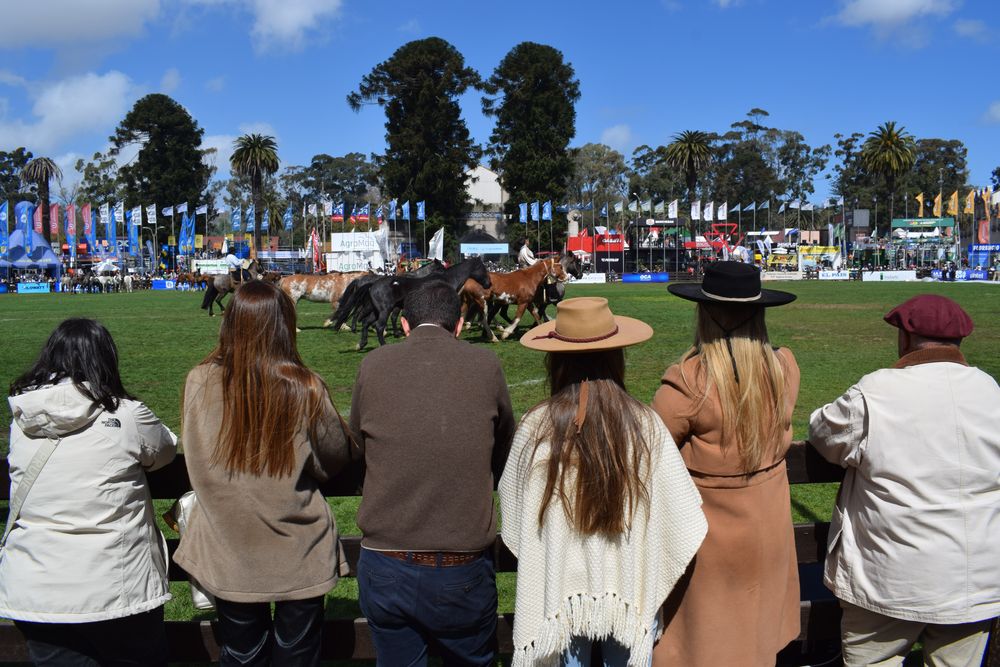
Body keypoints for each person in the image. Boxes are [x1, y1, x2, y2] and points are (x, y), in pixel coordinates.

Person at [500, 297, 707, 666]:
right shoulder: (645, 425)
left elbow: (517, 519)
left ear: (556, 359)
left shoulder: (536, 426)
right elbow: (684, 515)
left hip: (561, 586)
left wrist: (559, 550)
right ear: (617, 356)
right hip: (625, 589)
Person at [808, 294, 1000, 667]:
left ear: (905, 338)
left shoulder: (877, 391)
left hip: (888, 579)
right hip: (972, 580)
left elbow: (824, 433)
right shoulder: (990, 391)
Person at [174, 280, 352, 666]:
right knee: (297, 655)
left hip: (228, 544)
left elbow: (192, 450)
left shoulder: (199, 381)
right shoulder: (304, 386)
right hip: (298, 546)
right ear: (283, 326)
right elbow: (334, 455)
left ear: (230, 323)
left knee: (240, 653)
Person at [349, 281, 515, 667]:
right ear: (458, 326)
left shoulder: (373, 365)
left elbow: (356, 445)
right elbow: (505, 444)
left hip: (387, 561)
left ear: (404, 325)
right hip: (462, 567)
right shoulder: (485, 365)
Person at [0, 318, 177, 666]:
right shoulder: (126, 415)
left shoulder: (23, 418)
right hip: (116, 585)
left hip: (39, 587)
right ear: (105, 359)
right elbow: (165, 449)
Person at [650, 261, 800, 666]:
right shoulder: (784, 367)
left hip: (709, 550)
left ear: (705, 313)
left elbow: (651, 455)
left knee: (706, 643)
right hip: (768, 535)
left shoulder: (687, 382)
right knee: (753, 641)